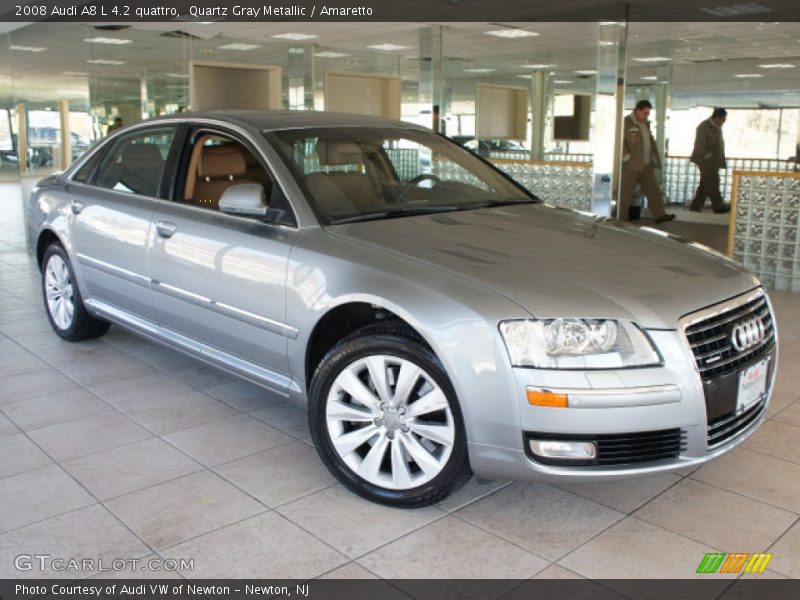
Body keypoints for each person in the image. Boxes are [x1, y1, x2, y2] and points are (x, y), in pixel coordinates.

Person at [619, 100, 675, 224]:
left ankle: (660, 215)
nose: (646, 116)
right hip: (631, 165)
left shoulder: (646, 124)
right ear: (637, 110)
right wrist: (626, 157)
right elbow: (620, 142)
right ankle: (621, 217)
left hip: (646, 164)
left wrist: (654, 159)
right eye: (645, 113)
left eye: (648, 113)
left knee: (653, 189)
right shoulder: (626, 123)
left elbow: (650, 142)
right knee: (625, 193)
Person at [690, 107, 730, 213]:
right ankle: (718, 206)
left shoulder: (715, 126)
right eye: (723, 119)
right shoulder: (704, 127)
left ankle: (696, 205)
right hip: (706, 161)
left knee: (705, 184)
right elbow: (700, 143)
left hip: (712, 161)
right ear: (717, 117)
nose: (723, 122)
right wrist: (707, 154)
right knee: (713, 182)